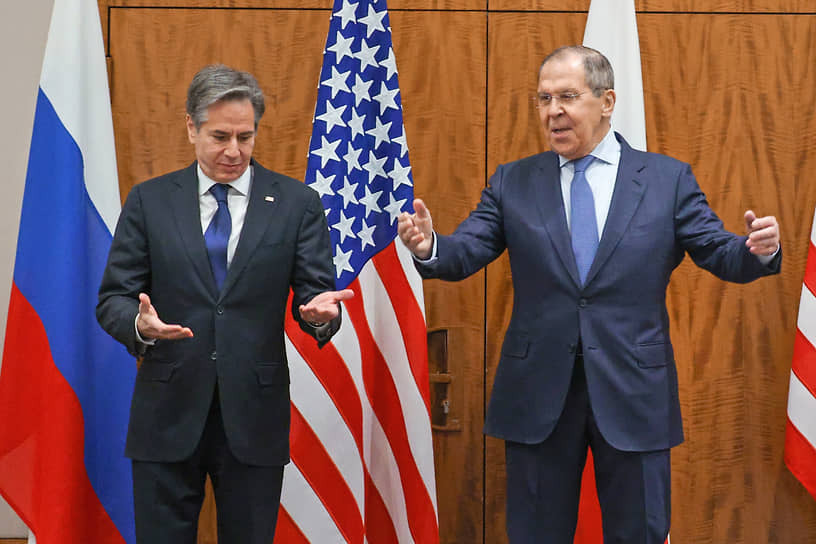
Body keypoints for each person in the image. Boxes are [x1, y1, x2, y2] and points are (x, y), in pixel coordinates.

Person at [398, 45, 781, 543]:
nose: (552, 111)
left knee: (638, 533)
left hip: (633, 391)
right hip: (537, 392)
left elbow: (718, 250)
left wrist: (757, 251)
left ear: (607, 102)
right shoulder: (515, 180)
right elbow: (467, 250)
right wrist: (430, 246)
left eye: (567, 97)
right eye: (543, 99)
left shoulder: (666, 180)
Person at [97, 64, 352, 543]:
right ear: (191, 128)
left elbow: (317, 295)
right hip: (167, 413)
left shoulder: (297, 204)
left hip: (254, 415)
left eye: (245, 136)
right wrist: (140, 325)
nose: (234, 151)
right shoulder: (150, 202)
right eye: (220, 136)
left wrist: (321, 317)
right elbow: (113, 298)